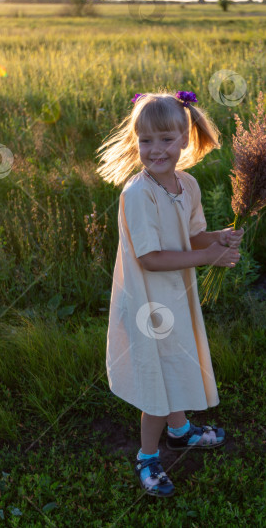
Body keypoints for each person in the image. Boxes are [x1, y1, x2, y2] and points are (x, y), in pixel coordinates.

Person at [96, 90, 244, 497]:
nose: (155, 150)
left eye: (165, 139)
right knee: (154, 382)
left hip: (175, 296)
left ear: (185, 138)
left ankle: (179, 431)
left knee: (174, 362)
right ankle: (147, 456)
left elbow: (192, 235)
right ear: (136, 142)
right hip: (147, 301)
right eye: (145, 141)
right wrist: (208, 259)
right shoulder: (137, 195)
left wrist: (218, 238)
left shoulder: (188, 184)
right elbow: (150, 259)